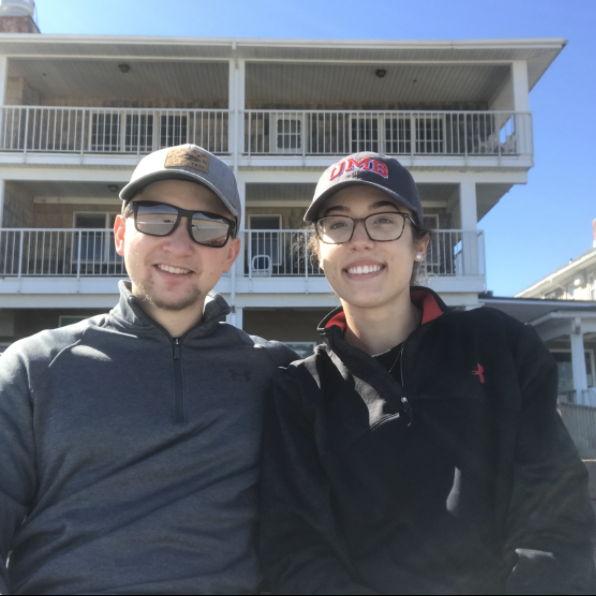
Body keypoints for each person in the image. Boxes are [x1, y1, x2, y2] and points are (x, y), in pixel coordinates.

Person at [259, 151, 596, 595]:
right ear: (318, 251)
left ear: (420, 243)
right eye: (338, 224)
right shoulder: (299, 390)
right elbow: (294, 549)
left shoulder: (501, 346)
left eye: (384, 221)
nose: (360, 241)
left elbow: (554, 511)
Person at [0, 143, 295, 594]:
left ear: (230, 253)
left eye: (207, 226)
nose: (179, 244)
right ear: (120, 233)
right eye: (156, 218)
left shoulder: (277, 373)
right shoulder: (33, 368)